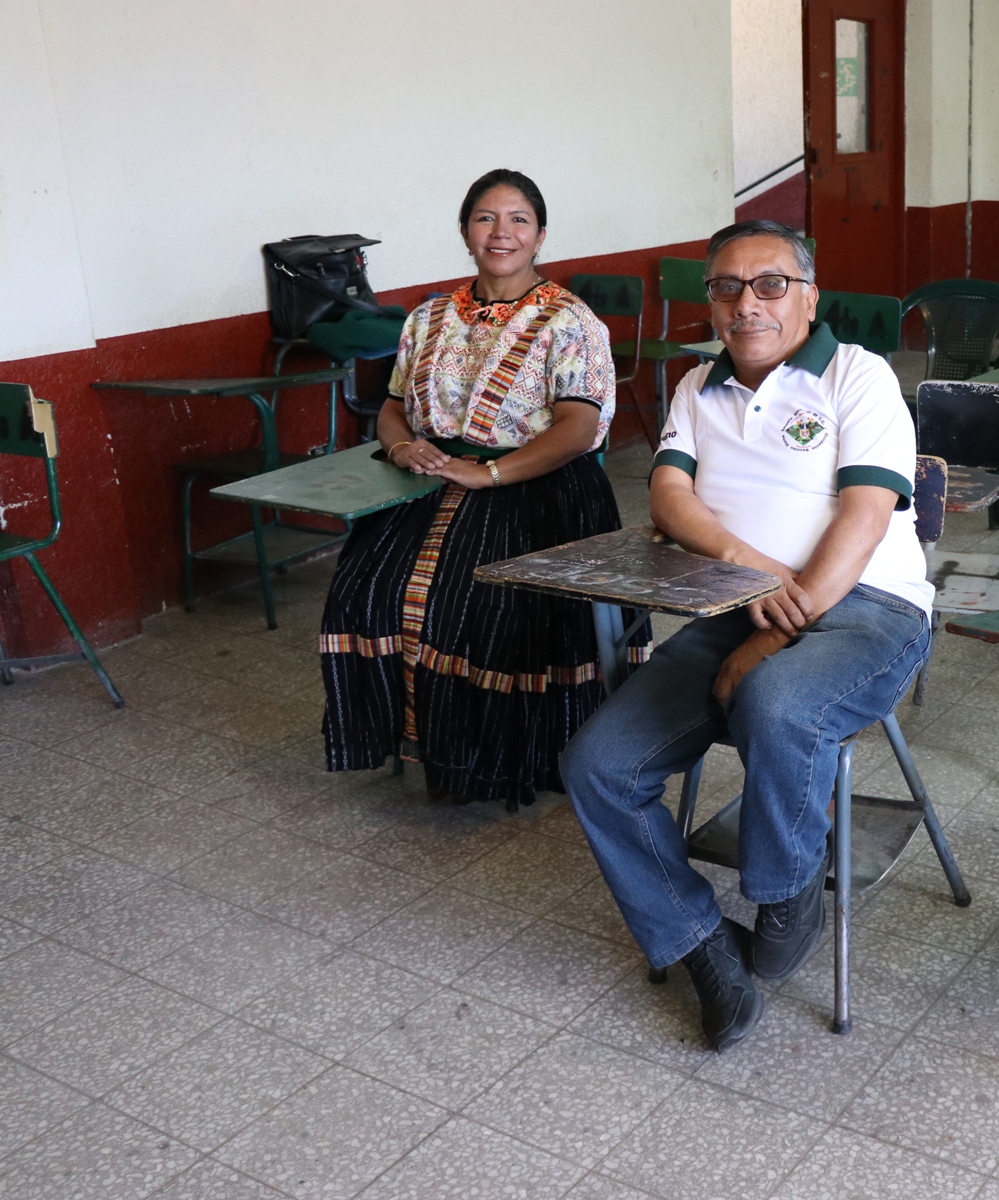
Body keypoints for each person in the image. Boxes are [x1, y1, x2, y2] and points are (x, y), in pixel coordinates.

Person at [560, 219, 932, 1051]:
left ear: (809, 297)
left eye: (769, 285)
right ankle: (701, 948)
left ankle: (788, 888)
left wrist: (772, 634)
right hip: (731, 606)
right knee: (597, 765)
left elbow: (866, 519)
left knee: (775, 700)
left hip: (869, 609)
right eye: (726, 288)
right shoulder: (697, 388)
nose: (746, 304)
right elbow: (669, 498)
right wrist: (746, 572)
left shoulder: (856, 376)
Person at [319, 168, 641, 811]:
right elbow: (391, 406)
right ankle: (413, 741)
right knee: (363, 593)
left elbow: (580, 429)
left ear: (541, 235)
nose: (502, 233)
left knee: (480, 612)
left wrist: (490, 472)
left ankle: (495, 760)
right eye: (486, 218)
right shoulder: (428, 316)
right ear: (465, 232)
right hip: (435, 479)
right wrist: (403, 444)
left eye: (518, 219)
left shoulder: (570, 320)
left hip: (538, 484)